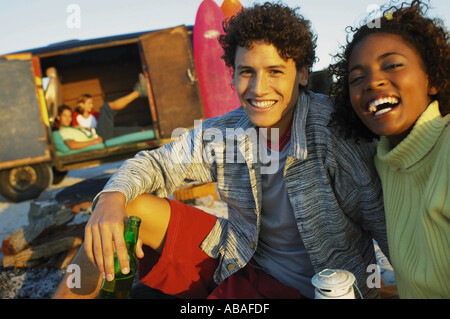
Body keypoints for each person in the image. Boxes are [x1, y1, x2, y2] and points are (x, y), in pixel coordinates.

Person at [54, 2, 389, 299]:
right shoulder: (228, 132)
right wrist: (110, 197)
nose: (259, 89)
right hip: (240, 259)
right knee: (126, 207)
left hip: (320, 289)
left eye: (275, 71)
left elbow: (388, 225)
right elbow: (156, 163)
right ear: (233, 76)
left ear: (302, 73)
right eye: (247, 72)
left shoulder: (334, 132)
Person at [329, 0, 449, 298]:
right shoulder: (384, 161)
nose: (373, 81)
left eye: (392, 64)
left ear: (431, 77)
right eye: (357, 78)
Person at [53, 74, 148, 151]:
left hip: (99, 133)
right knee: (106, 108)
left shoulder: (71, 127)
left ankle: (151, 130)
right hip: (99, 136)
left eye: (69, 116)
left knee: (134, 129)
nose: (68, 118)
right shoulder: (62, 131)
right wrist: (93, 142)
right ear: (58, 117)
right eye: (65, 116)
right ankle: (139, 91)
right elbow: (72, 145)